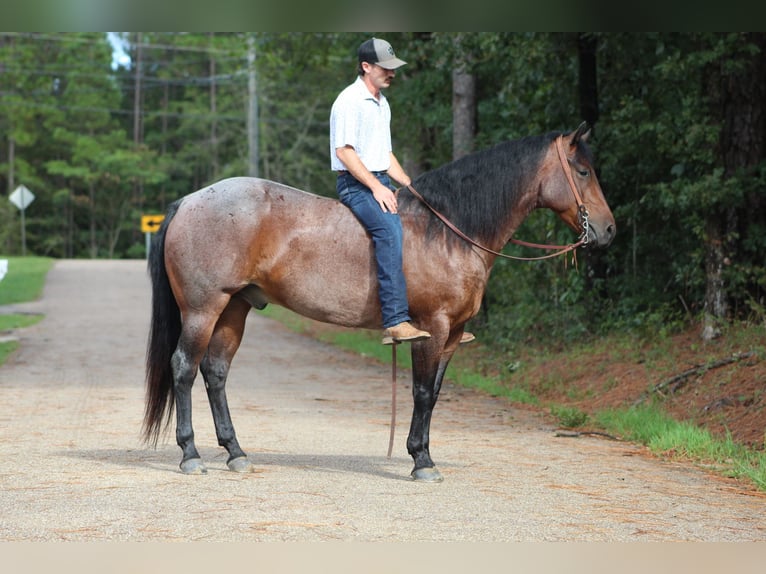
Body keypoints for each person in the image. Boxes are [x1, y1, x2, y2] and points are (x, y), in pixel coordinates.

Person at [330, 37, 474, 346]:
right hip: (356, 184)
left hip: (379, 177)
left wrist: (410, 185)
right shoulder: (349, 101)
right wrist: (377, 187)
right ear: (366, 67)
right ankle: (395, 320)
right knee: (389, 230)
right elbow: (344, 152)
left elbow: (385, 154)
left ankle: (435, 313)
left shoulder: (382, 103)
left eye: (393, 68)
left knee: (424, 225)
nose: (391, 73)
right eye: (385, 68)